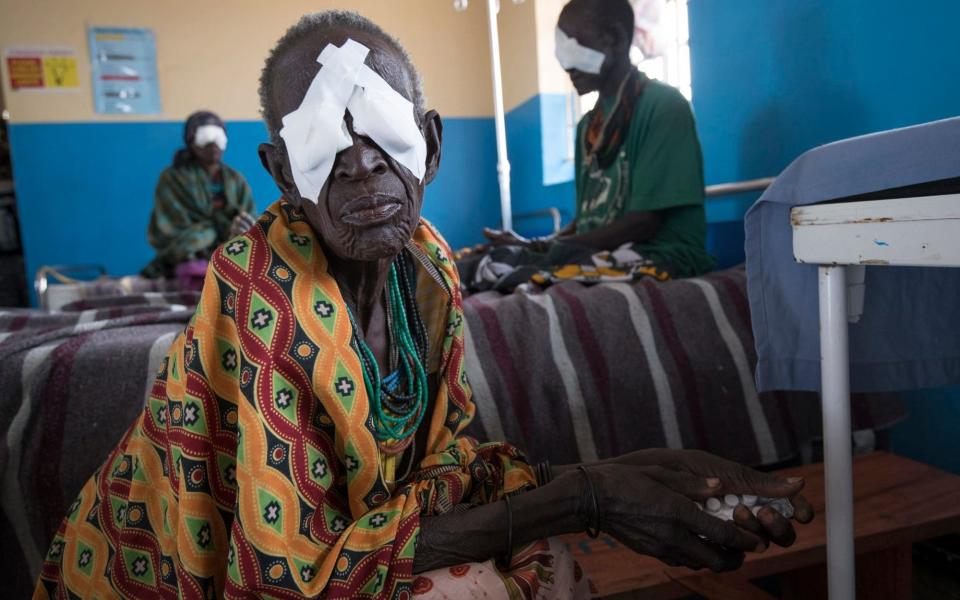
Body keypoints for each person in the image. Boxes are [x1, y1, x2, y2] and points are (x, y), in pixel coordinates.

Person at [36, 12, 811, 600]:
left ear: (430, 146)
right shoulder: (259, 290)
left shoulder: (432, 269)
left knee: (540, 564)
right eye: (322, 142)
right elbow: (291, 571)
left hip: (347, 552)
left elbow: (438, 469)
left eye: (380, 128)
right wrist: (587, 496)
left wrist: (633, 471)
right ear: (281, 174)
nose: (362, 161)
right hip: (200, 575)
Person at [472, 0, 712, 290]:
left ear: (616, 39)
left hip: (661, 256)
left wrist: (548, 250)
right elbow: (587, 222)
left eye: (575, 49)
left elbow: (644, 223)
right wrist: (536, 244)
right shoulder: (589, 126)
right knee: (487, 262)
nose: (568, 66)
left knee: (521, 277)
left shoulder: (663, 106)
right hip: (602, 252)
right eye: (562, 54)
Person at [141, 111, 257, 281]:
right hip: (190, 256)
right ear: (192, 142)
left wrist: (239, 235)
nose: (213, 144)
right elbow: (172, 227)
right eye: (206, 137)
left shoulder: (235, 179)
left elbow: (249, 218)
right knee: (201, 276)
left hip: (232, 252)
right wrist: (204, 241)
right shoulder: (173, 178)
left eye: (219, 137)